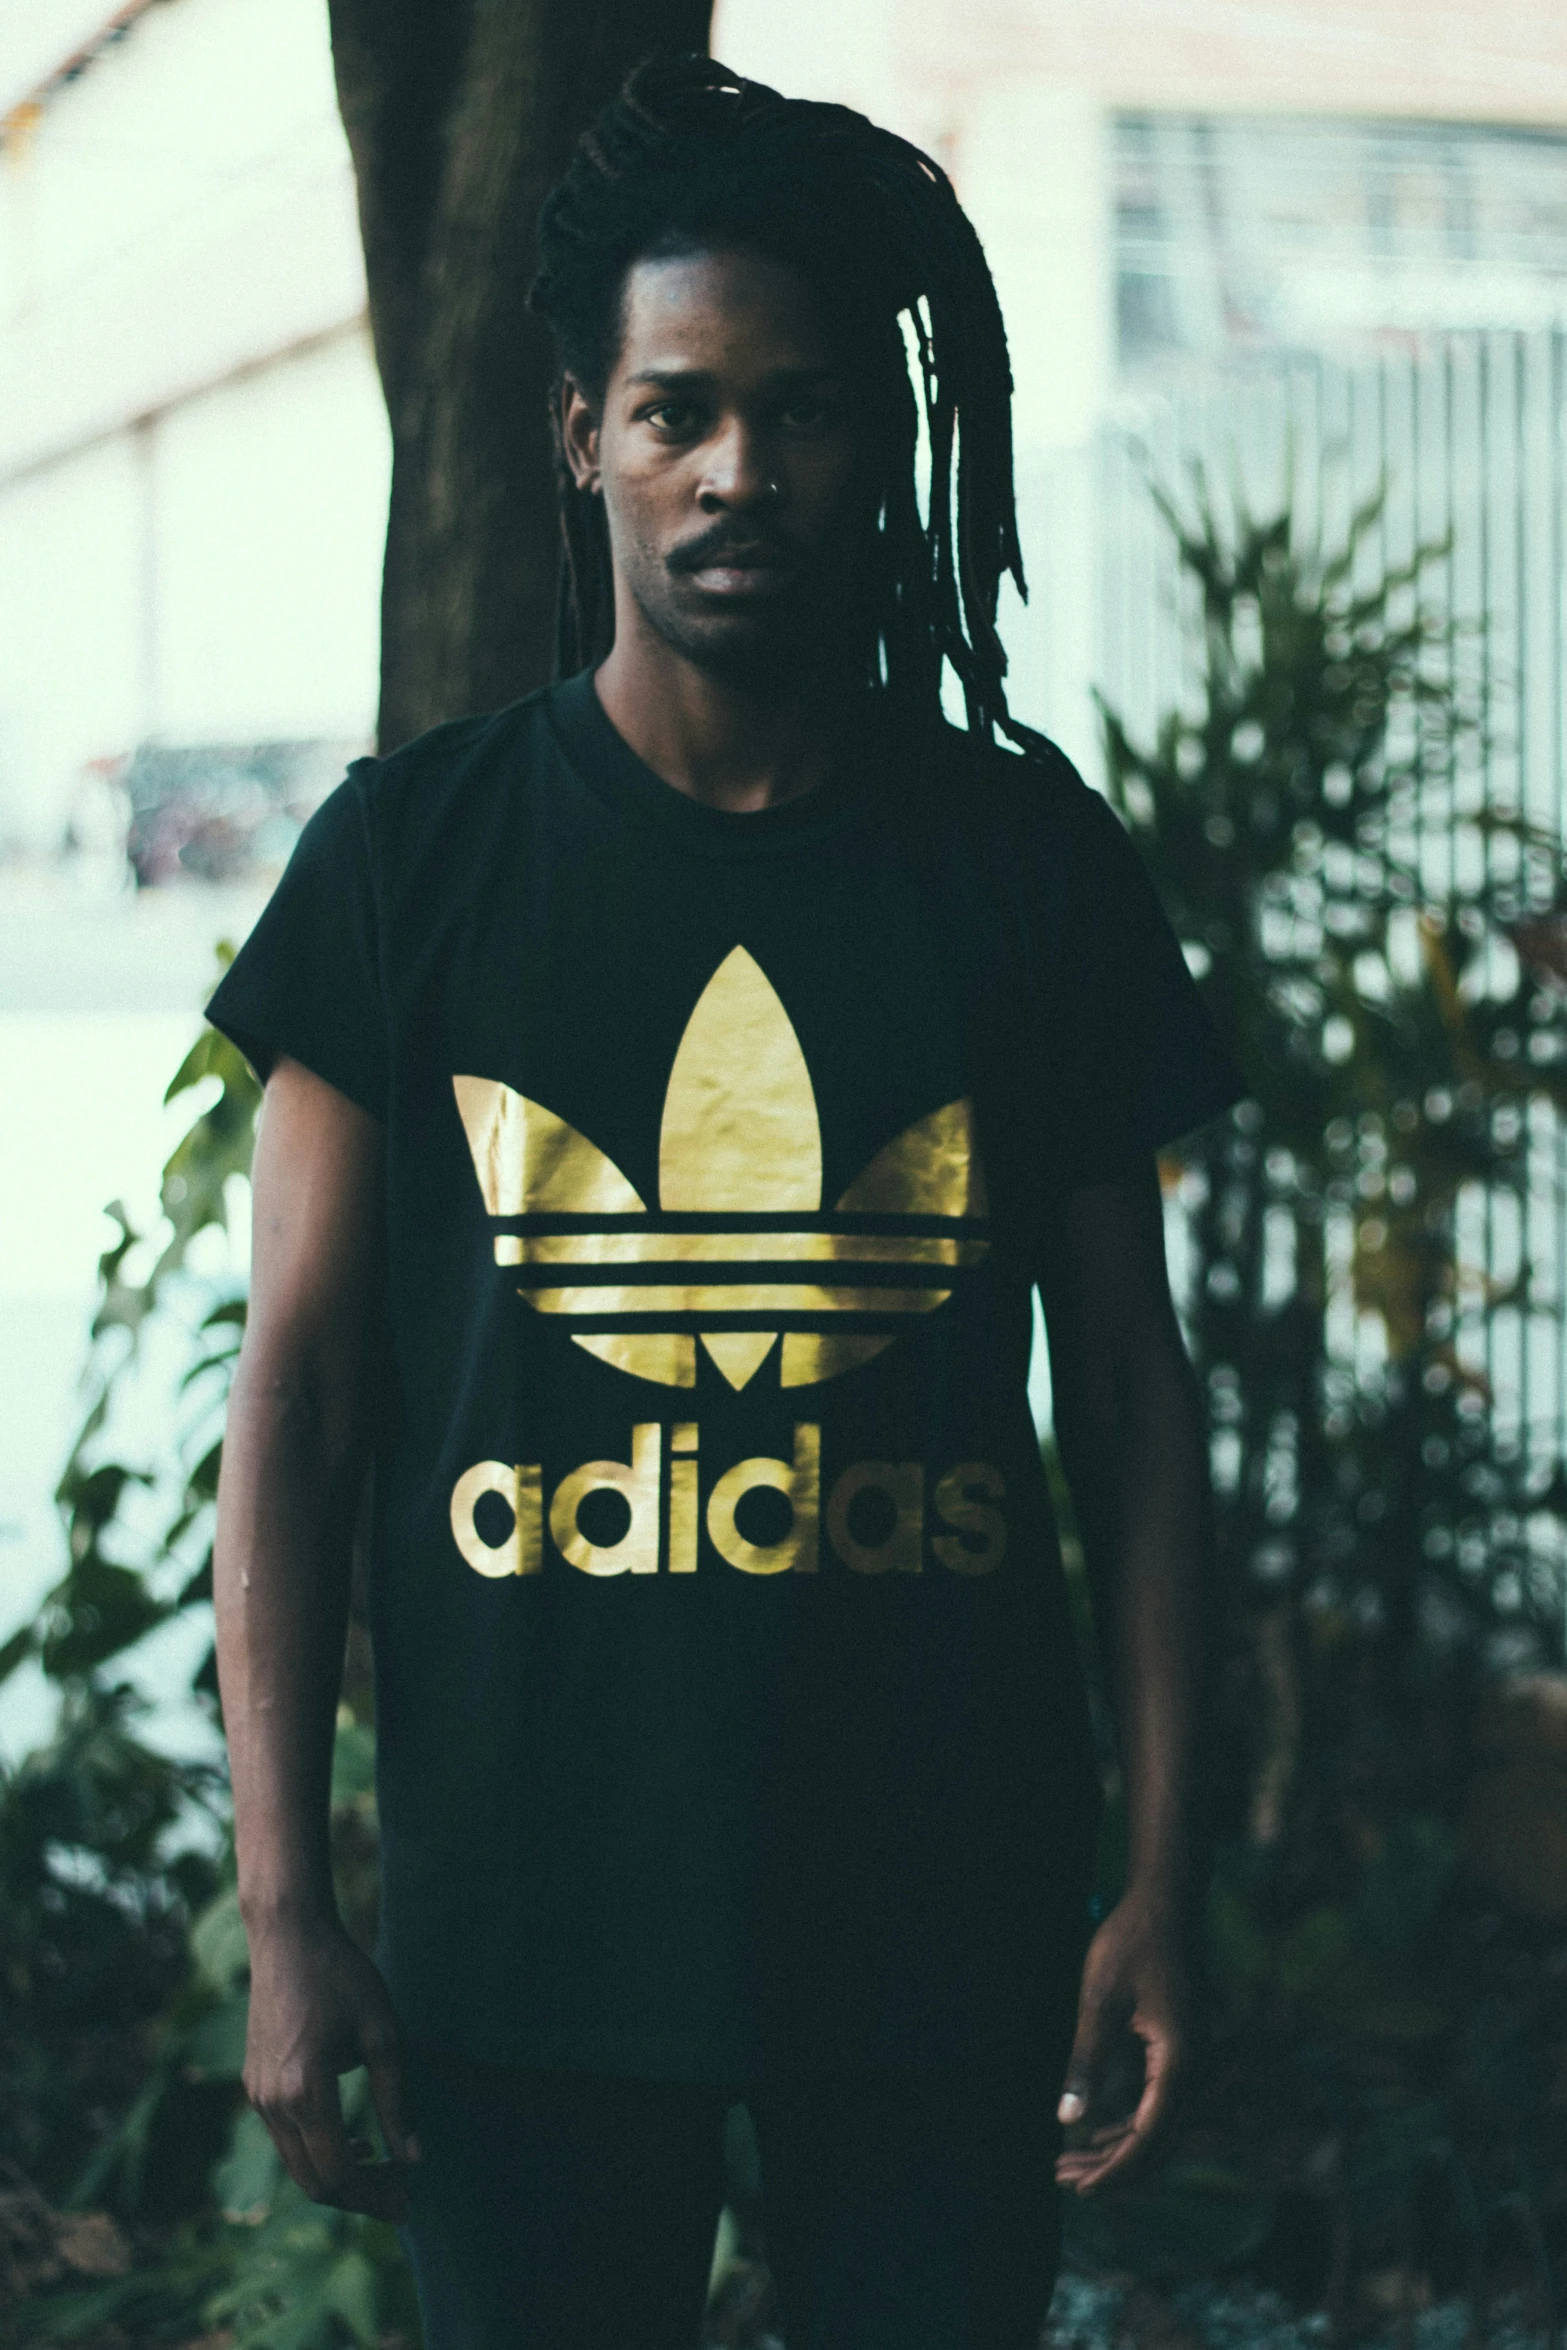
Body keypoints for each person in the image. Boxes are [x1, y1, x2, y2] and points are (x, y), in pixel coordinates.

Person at [208, 54, 1244, 2350]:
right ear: (580, 431)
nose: (741, 467)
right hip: (525, 1928)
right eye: (679, 409)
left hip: (943, 1918)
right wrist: (290, 1896)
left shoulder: (1026, 870)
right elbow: (292, 1401)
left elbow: (1142, 1406)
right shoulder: (409, 863)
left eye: (799, 410)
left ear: (881, 443)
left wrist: (1164, 1873)